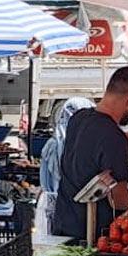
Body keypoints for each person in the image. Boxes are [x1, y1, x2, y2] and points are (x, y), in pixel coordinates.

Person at [53, 66, 128, 242]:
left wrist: (126, 137)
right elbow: (119, 200)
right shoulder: (114, 138)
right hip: (92, 236)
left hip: (63, 225)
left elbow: (93, 145)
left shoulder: (79, 117)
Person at [40, 95, 94, 233]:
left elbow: (46, 183)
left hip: (59, 210)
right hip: (81, 210)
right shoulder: (87, 144)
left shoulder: (53, 145)